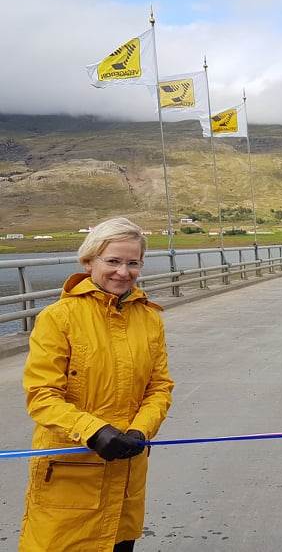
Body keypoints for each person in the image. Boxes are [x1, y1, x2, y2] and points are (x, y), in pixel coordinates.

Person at [19, 217, 174, 552]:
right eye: (113, 261)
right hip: (71, 478)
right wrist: (95, 431)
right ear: (89, 262)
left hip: (126, 477)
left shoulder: (149, 320)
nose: (123, 272)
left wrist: (140, 431)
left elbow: (159, 388)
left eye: (133, 263)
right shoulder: (58, 318)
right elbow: (42, 396)